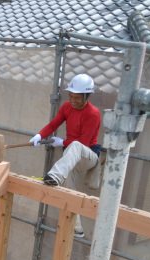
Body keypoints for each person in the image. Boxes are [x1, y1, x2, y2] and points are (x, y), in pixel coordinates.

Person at [29, 73, 102, 237]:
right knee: (70, 191)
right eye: (71, 96)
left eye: (77, 97)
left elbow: (83, 142)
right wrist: (40, 136)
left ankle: (54, 176)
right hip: (71, 156)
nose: (73, 100)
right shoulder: (66, 107)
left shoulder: (93, 113)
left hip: (87, 156)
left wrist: (62, 143)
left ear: (86, 96)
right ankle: (78, 229)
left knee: (75, 145)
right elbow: (54, 124)